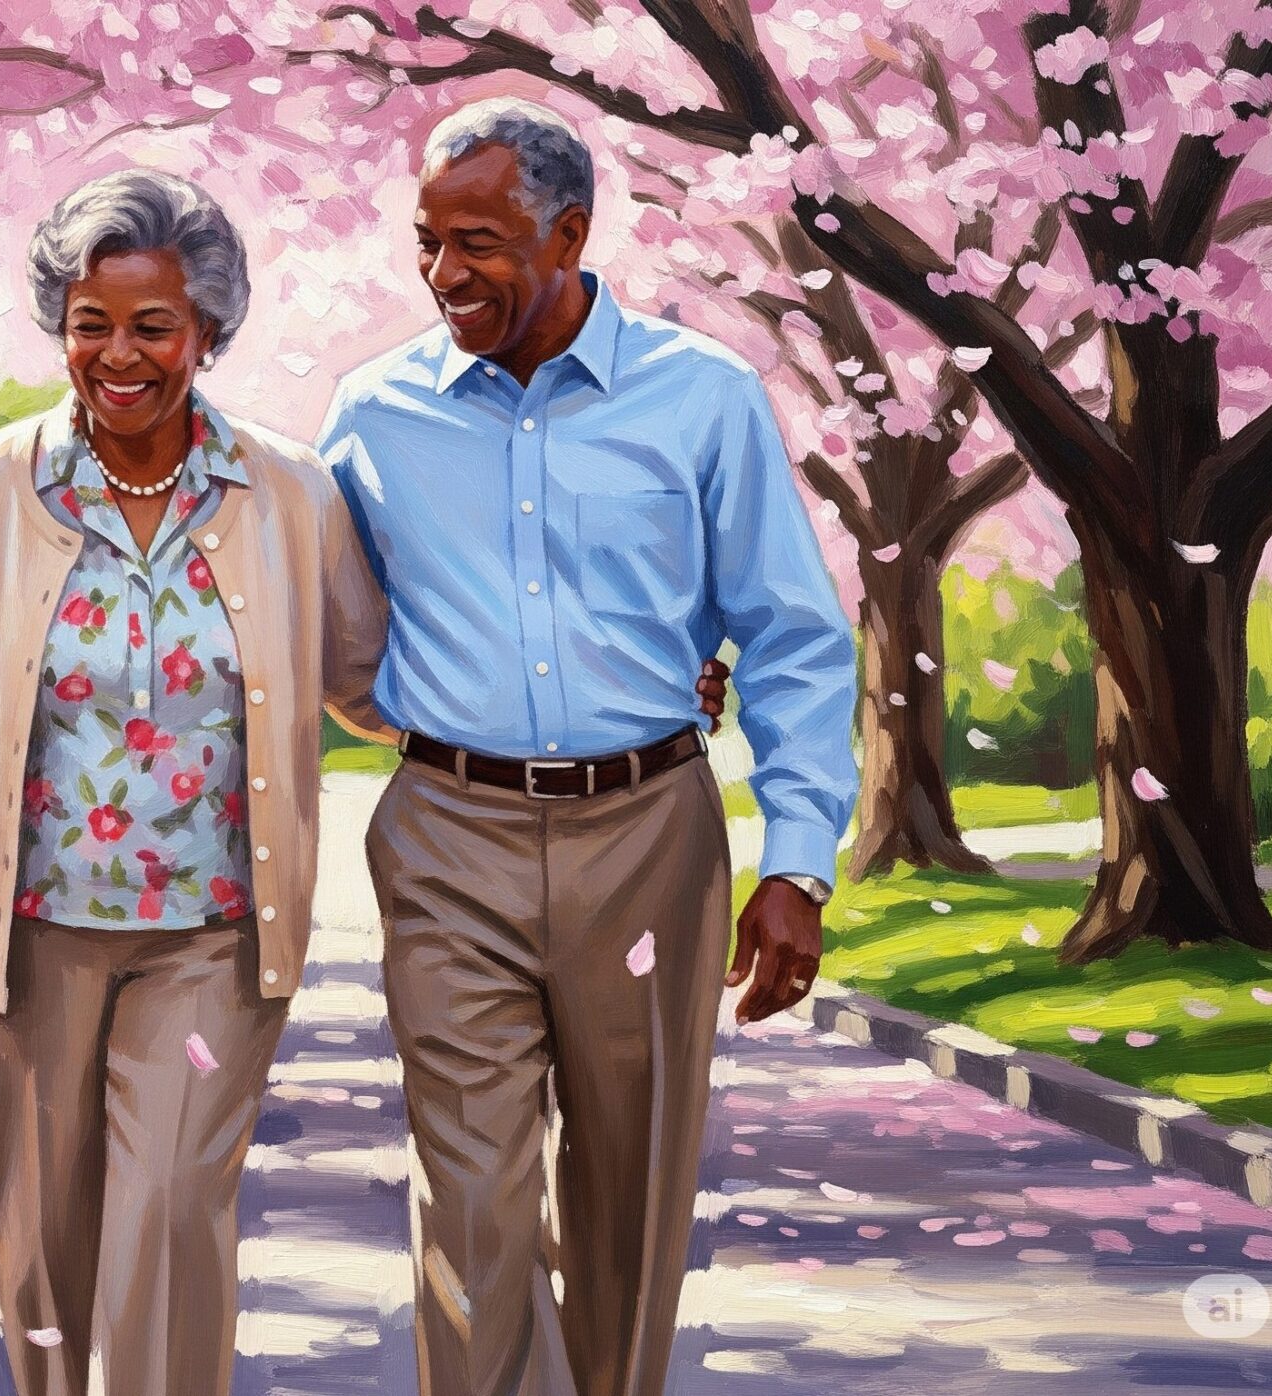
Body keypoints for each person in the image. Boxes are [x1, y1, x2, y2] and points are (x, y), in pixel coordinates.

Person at [0, 169, 731, 1395]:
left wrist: (611, 688)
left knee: (167, 1225)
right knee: (35, 1246)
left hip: (211, 944)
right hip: (21, 943)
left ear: (207, 332)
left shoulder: (286, 493)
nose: (118, 354)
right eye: (89, 323)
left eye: (152, 325)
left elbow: (381, 680)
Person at [318, 98, 861, 1396]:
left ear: (571, 234)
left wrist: (796, 862)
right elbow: (337, 629)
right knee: (474, 1209)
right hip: (450, 841)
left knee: (629, 1202)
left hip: (649, 836)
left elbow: (789, 634)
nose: (447, 274)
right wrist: (438, 714)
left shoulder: (703, 401)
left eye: (483, 243)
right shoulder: (372, 415)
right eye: (428, 241)